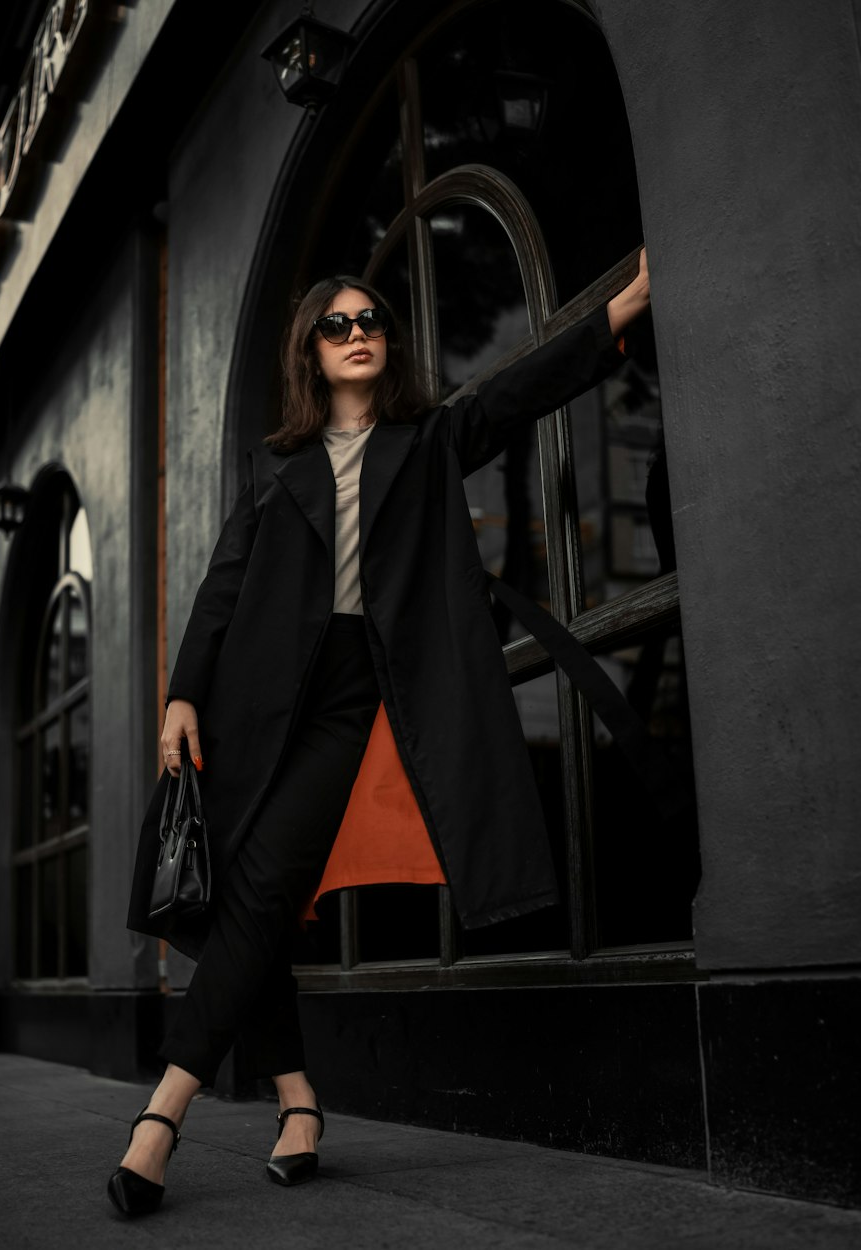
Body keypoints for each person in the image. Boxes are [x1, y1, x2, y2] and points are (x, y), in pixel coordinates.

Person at [107, 248, 652, 1216]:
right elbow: (221, 586)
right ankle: (299, 1102)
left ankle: (163, 1113)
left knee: (264, 884)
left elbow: (519, 387)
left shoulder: (428, 439)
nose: (359, 333)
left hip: (367, 693)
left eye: (371, 321)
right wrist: (182, 694)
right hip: (258, 704)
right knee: (248, 898)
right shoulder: (277, 470)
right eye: (337, 324)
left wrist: (621, 308)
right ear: (310, 353)